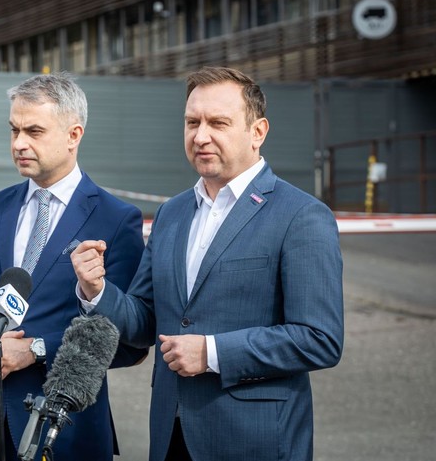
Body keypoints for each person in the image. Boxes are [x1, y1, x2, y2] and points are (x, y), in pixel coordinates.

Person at [71, 66, 344, 461]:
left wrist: (213, 353)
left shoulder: (301, 216)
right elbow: (145, 322)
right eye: (192, 122)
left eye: (218, 123)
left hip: (253, 442)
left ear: (257, 132)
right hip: (170, 435)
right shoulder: (172, 213)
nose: (200, 136)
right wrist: (96, 291)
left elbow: (319, 339)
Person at [0, 72, 147, 461]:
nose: (19, 143)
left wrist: (35, 349)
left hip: (65, 434)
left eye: (34, 131)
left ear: (73, 135)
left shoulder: (116, 219)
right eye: (14, 130)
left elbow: (131, 340)